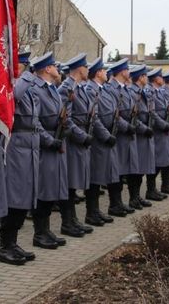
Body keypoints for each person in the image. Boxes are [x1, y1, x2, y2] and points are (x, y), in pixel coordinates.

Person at [0, 51, 38, 265]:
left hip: (29, 147)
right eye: (23, 64)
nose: (26, 68)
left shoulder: (25, 87)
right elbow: (12, 100)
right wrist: (27, 77)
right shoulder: (8, 85)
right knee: (14, 198)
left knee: (25, 198)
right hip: (15, 148)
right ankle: (5, 246)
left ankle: (12, 243)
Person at [29, 52, 68, 250]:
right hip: (45, 146)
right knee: (43, 190)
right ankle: (39, 233)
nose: (57, 69)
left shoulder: (51, 89)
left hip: (56, 141)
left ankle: (46, 230)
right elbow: (34, 121)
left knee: (52, 189)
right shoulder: (36, 90)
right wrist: (48, 140)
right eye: (54, 66)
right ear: (46, 69)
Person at [57, 53, 94, 237]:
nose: (88, 70)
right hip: (72, 141)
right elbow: (65, 119)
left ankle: (73, 220)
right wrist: (82, 136)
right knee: (69, 184)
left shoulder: (79, 88)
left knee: (74, 184)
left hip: (79, 140)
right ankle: (67, 223)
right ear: (80, 69)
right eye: (86, 67)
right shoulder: (66, 89)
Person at [84, 57, 118, 225]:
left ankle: (96, 210)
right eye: (104, 71)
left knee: (99, 177)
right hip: (97, 138)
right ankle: (91, 213)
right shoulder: (91, 89)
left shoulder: (102, 89)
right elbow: (94, 117)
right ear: (98, 73)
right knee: (94, 177)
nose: (106, 73)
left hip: (104, 136)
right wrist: (105, 135)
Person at [103, 58, 138, 215]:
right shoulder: (111, 89)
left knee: (122, 170)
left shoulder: (124, 88)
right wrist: (127, 127)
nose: (129, 72)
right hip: (118, 133)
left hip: (126, 135)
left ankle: (119, 202)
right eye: (127, 69)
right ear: (122, 72)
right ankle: (114, 203)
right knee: (115, 170)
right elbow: (114, 114)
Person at [127, 65, 155, 209]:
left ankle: (137, 196)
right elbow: (132, 116)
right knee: (135, 169)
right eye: (145, 76)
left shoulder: (141, 92)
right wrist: (144, 128)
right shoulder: (132, 92)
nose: (147, 78)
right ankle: (133, 198)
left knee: (142, 167)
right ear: (141, 77)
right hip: (138, 135)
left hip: (144, 134)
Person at [145, 68, 169, 201]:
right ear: (155, 79)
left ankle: (156, 188)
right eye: (160, 76)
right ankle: (150, 189)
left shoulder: (158, 91)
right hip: (157, 129)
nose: (163, 78)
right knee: (155, 161)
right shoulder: (150, 92)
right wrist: (162, 124)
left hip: (163, 130)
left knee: (162, 159)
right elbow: (152, 112)